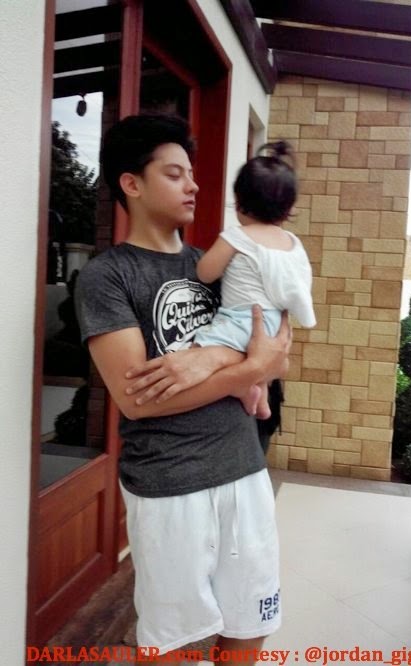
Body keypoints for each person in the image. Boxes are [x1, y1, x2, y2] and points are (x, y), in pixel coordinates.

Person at [75, 114, 290, 663]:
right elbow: (137, 400)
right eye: (175, 174)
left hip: (243, 468)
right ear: (132, 183)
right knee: (172, 640)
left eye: (191, 173)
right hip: (169, 483)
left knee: (251, 623)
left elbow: (273, 349)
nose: (193, 185)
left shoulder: (212, 266)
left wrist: (210, 357)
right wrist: (240, 371)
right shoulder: (108, 275)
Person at [194, 141, 316, 418]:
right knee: (256, 360)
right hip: (273, 324)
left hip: (242, 320)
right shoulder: (292, 243)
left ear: (240, 202)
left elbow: (205, 272)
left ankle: (242, 389)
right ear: (288, 208)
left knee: (196, 350)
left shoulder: (237, 237)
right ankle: (260, 398)